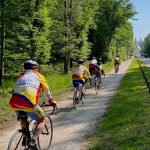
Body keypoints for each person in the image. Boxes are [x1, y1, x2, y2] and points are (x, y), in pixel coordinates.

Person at [9, 60, 56, 149]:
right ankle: (33, 141)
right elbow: (46, 91)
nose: (37, 70)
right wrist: (51, 101)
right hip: (29, 103)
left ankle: (25, 135)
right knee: (42, 120)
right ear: (35, 68)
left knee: (23, 116)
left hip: (14, 102)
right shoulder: (39, 76)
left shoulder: (20, 76)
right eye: (37, 68)